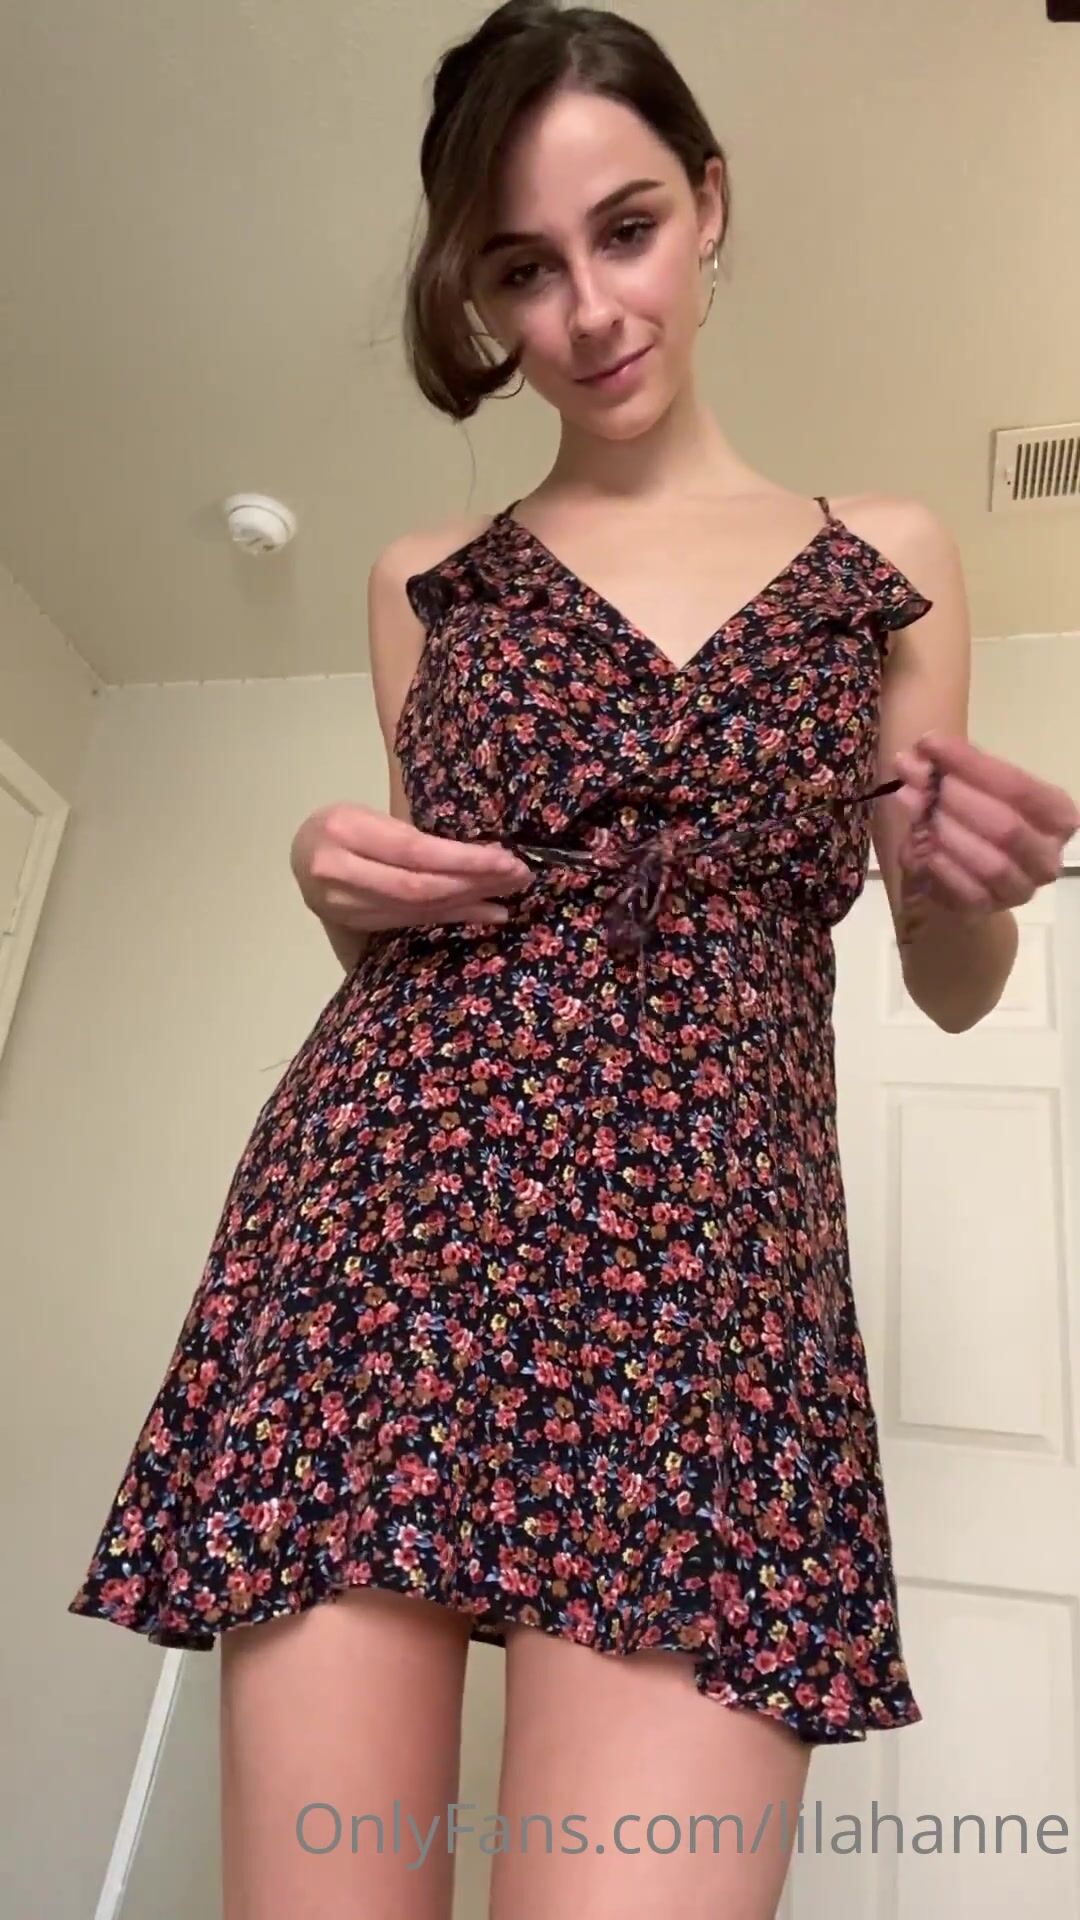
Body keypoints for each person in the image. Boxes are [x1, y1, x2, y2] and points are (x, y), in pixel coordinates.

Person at [68, 4, 1079, 1917]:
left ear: (710, 204)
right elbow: (418, 920)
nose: (591, 310)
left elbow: (950, 979)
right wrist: (327, 879)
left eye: (627, 230)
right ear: (479, 293)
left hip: (712, 1285)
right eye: (524, 267)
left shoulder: (889, 558)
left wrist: (972, 886)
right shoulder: (421, 581)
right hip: (386, 1243)